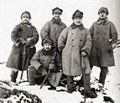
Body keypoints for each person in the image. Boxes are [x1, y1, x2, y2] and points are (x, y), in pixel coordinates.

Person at [58, 10, 96, 98]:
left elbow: (89, 41)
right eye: (76, 18)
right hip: (69, 54)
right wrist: (63, 49)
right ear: (73, 19)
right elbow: (61, 38)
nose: (78, 20)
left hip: (82, 54)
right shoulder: (67, 29)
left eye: (79, 18)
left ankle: (87, 89)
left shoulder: (86, 31)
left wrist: (85, 50)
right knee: (69, 70)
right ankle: (70, 87)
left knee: (87, 71)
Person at [6, 11, 39, 83]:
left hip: (29, 49)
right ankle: (13, 80)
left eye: (27, 17)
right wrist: (19, 40)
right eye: (24, 17)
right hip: (18, 49)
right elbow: (13, 35)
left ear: (29, 18)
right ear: (21, 18)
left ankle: (30, 80)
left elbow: (36, 36)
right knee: (15, 64)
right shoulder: (18, 27)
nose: (25, 19)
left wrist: (30, 41)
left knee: (29, 64)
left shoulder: (33, 28)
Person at [89, 7, 118, 87]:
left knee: (104, 66)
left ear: (106, 14)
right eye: (101, 12)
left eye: (104, 13)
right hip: (94, 48)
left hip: (105, 49)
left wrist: (113, 43)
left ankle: (101, 83)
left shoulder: (110, 24)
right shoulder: (94, 24)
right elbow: (89, 34)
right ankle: (84, 81)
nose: (102, 14)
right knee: (89, 64)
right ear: (98, 14)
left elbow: (114, 35)